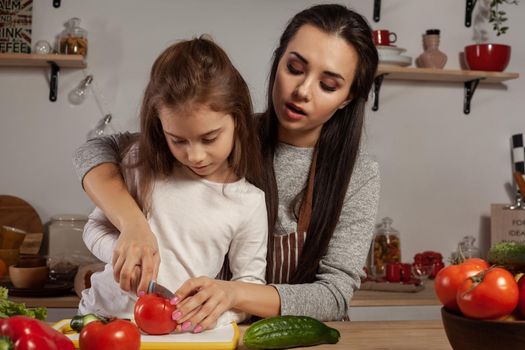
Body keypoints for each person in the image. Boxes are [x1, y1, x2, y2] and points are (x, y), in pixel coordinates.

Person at [73, 3, 379, 331]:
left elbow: (333, 296)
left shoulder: (357, 174)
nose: (302, 91)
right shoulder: (218, 132)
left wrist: (234, 294)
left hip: (298, 334)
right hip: (212, 332)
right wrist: (133, 226)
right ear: (278, 61)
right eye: (294, 67)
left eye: (328, 85)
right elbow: (94, 151)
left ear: (348, 96)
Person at [77, 37, 268, 331]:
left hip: (176, 330)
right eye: (178, 140)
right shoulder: (140, 162)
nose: (195, 155)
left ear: (238, 120)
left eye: (209, 138)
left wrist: (216, 315)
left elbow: (249, 284)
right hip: (103, 316)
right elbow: (94, 228)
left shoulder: (249, 201)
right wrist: (123, 253)